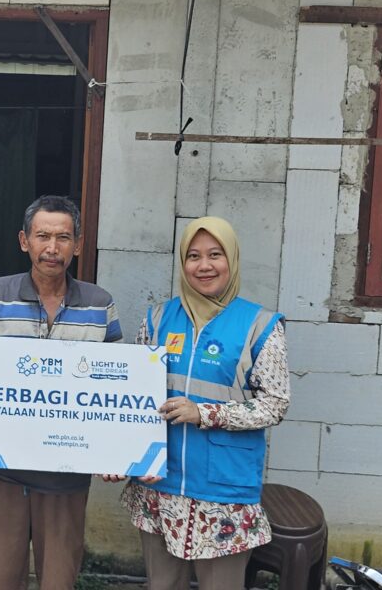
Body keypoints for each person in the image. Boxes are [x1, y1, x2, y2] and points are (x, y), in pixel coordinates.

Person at [0, 195, 122, 590]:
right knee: (2, 578)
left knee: (59, 579)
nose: (52, 247)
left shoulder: (100, 305)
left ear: (77, 245)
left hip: (68, 474)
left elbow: (116, 384)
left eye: (63, 237)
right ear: (24, 241)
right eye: (42, 236)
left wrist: (115, 450)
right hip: (5, 470)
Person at [117, 216, 291, 590]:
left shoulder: (260, 325)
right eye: (193, 256)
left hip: (222, 490)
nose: (204, 265)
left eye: (215, 254)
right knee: (162, 585)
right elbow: (133, 395)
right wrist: (124, 456)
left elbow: (275, 404)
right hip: (161, 483)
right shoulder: (159, 318)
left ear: (232, 259)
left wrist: (205, 413)